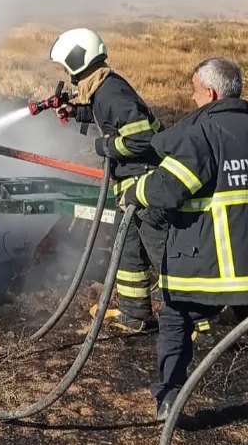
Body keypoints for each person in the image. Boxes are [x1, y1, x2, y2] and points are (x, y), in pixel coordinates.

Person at [122, 57, 248, 428]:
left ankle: (168, 400)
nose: (193, 99)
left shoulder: (204, 135)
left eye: (195, 92)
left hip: (214, 275)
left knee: (175, 317)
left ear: (211, 93)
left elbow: (167, 188)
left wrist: (136, 190)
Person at [49, 27, 168, 333]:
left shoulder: (111, 91)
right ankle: (135, 315)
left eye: (65, 67)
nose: (66, 74)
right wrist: (78, 113)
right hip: (132, 185)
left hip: (147, 184)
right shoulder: (103, 90)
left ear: (77, 62)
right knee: (128, 249)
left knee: (163, 254)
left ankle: (188, 319)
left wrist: (105, 147)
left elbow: (143, 138)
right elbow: (109, 117)